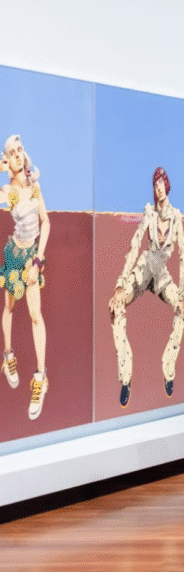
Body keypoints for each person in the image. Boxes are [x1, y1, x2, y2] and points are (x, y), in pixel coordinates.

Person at [110, 167, 184, 407]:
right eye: (155, 185)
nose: (158, 188)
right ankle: (126, 377)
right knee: (115, 308)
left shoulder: (176, 217)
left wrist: (182, 293)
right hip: (144, 268)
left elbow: (183, 254)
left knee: (182, 311)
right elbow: (135, 245)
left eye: (161, 183)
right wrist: (121, 284)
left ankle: (168, 368)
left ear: (168, 185)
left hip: (162, 275)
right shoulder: (149, 213)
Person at [0, 135, 50, 420]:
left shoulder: (35, 186)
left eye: (20, 150)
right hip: (13, 255)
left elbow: (46, 222)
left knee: (35, 314)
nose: (18, 155)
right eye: (11, 152)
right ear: (7, 159)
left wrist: (39, 259)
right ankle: (8, 355)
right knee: (9, 306)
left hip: (31, 256)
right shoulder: (9, 191)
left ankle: (40, 377)